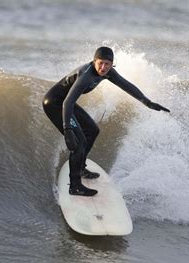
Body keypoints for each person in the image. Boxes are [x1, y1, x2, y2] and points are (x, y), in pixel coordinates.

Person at [43, 47, 170, 197]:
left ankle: (81, 167)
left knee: (92, 130)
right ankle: (75, 186)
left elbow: (127, 85)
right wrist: (68, 130)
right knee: (80, 142)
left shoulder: (109, 73)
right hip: (55, 104)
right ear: (94, 61)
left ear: (112, 64)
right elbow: (67, 104)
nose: (103, 68)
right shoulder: (86, 75)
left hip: (65, 102)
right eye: (100, 63)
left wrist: (147, 102)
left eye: (107, 64)